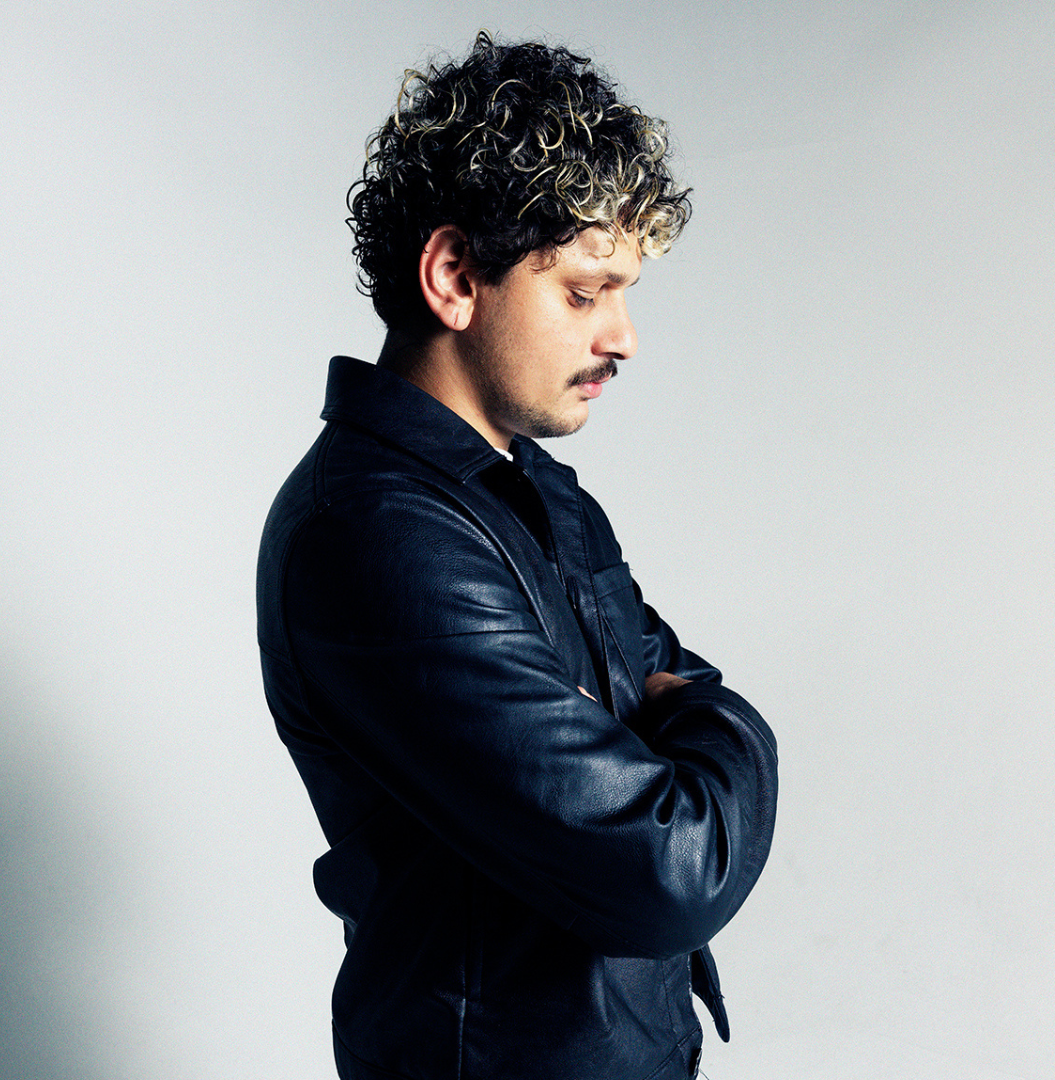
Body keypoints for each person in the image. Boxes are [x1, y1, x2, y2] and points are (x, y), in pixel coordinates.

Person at [257, 32, 777, 1080]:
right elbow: (669, 869)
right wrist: (731, 726)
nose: (624, 336)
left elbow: (667, 682)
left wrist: (668, 718)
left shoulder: (539, 491)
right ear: (455, 277)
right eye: (584, 292)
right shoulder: (374, 536)